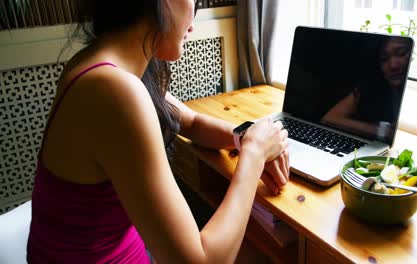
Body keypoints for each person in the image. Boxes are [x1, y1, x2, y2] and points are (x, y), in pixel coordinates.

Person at [26, 0, 289, 263]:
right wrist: (254, 154)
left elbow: (192, 122)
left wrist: (245, 136)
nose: (193, 22)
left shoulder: (106, 61)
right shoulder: (112, 89)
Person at [322, 36, 412, 141]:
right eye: (384, 59)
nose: (392, 65)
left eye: (401, 54)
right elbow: (329, 119)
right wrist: (381, 131)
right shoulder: (370, 88)